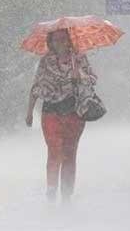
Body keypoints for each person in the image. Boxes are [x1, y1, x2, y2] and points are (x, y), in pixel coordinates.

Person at [26, 29, 97, 203]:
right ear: (50, 42)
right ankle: (51, 188)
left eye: (64, 39)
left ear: (69, 40)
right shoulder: (45, 61)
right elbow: (36, 86)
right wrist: (29, 112)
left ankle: (66, 194)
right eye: (56, 40)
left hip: (74, 112)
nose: (60, 43)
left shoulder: (79, 58)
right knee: (54, 151)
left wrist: (79, 76)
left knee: (69, 153)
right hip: (51, 111)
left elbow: (92, 79)